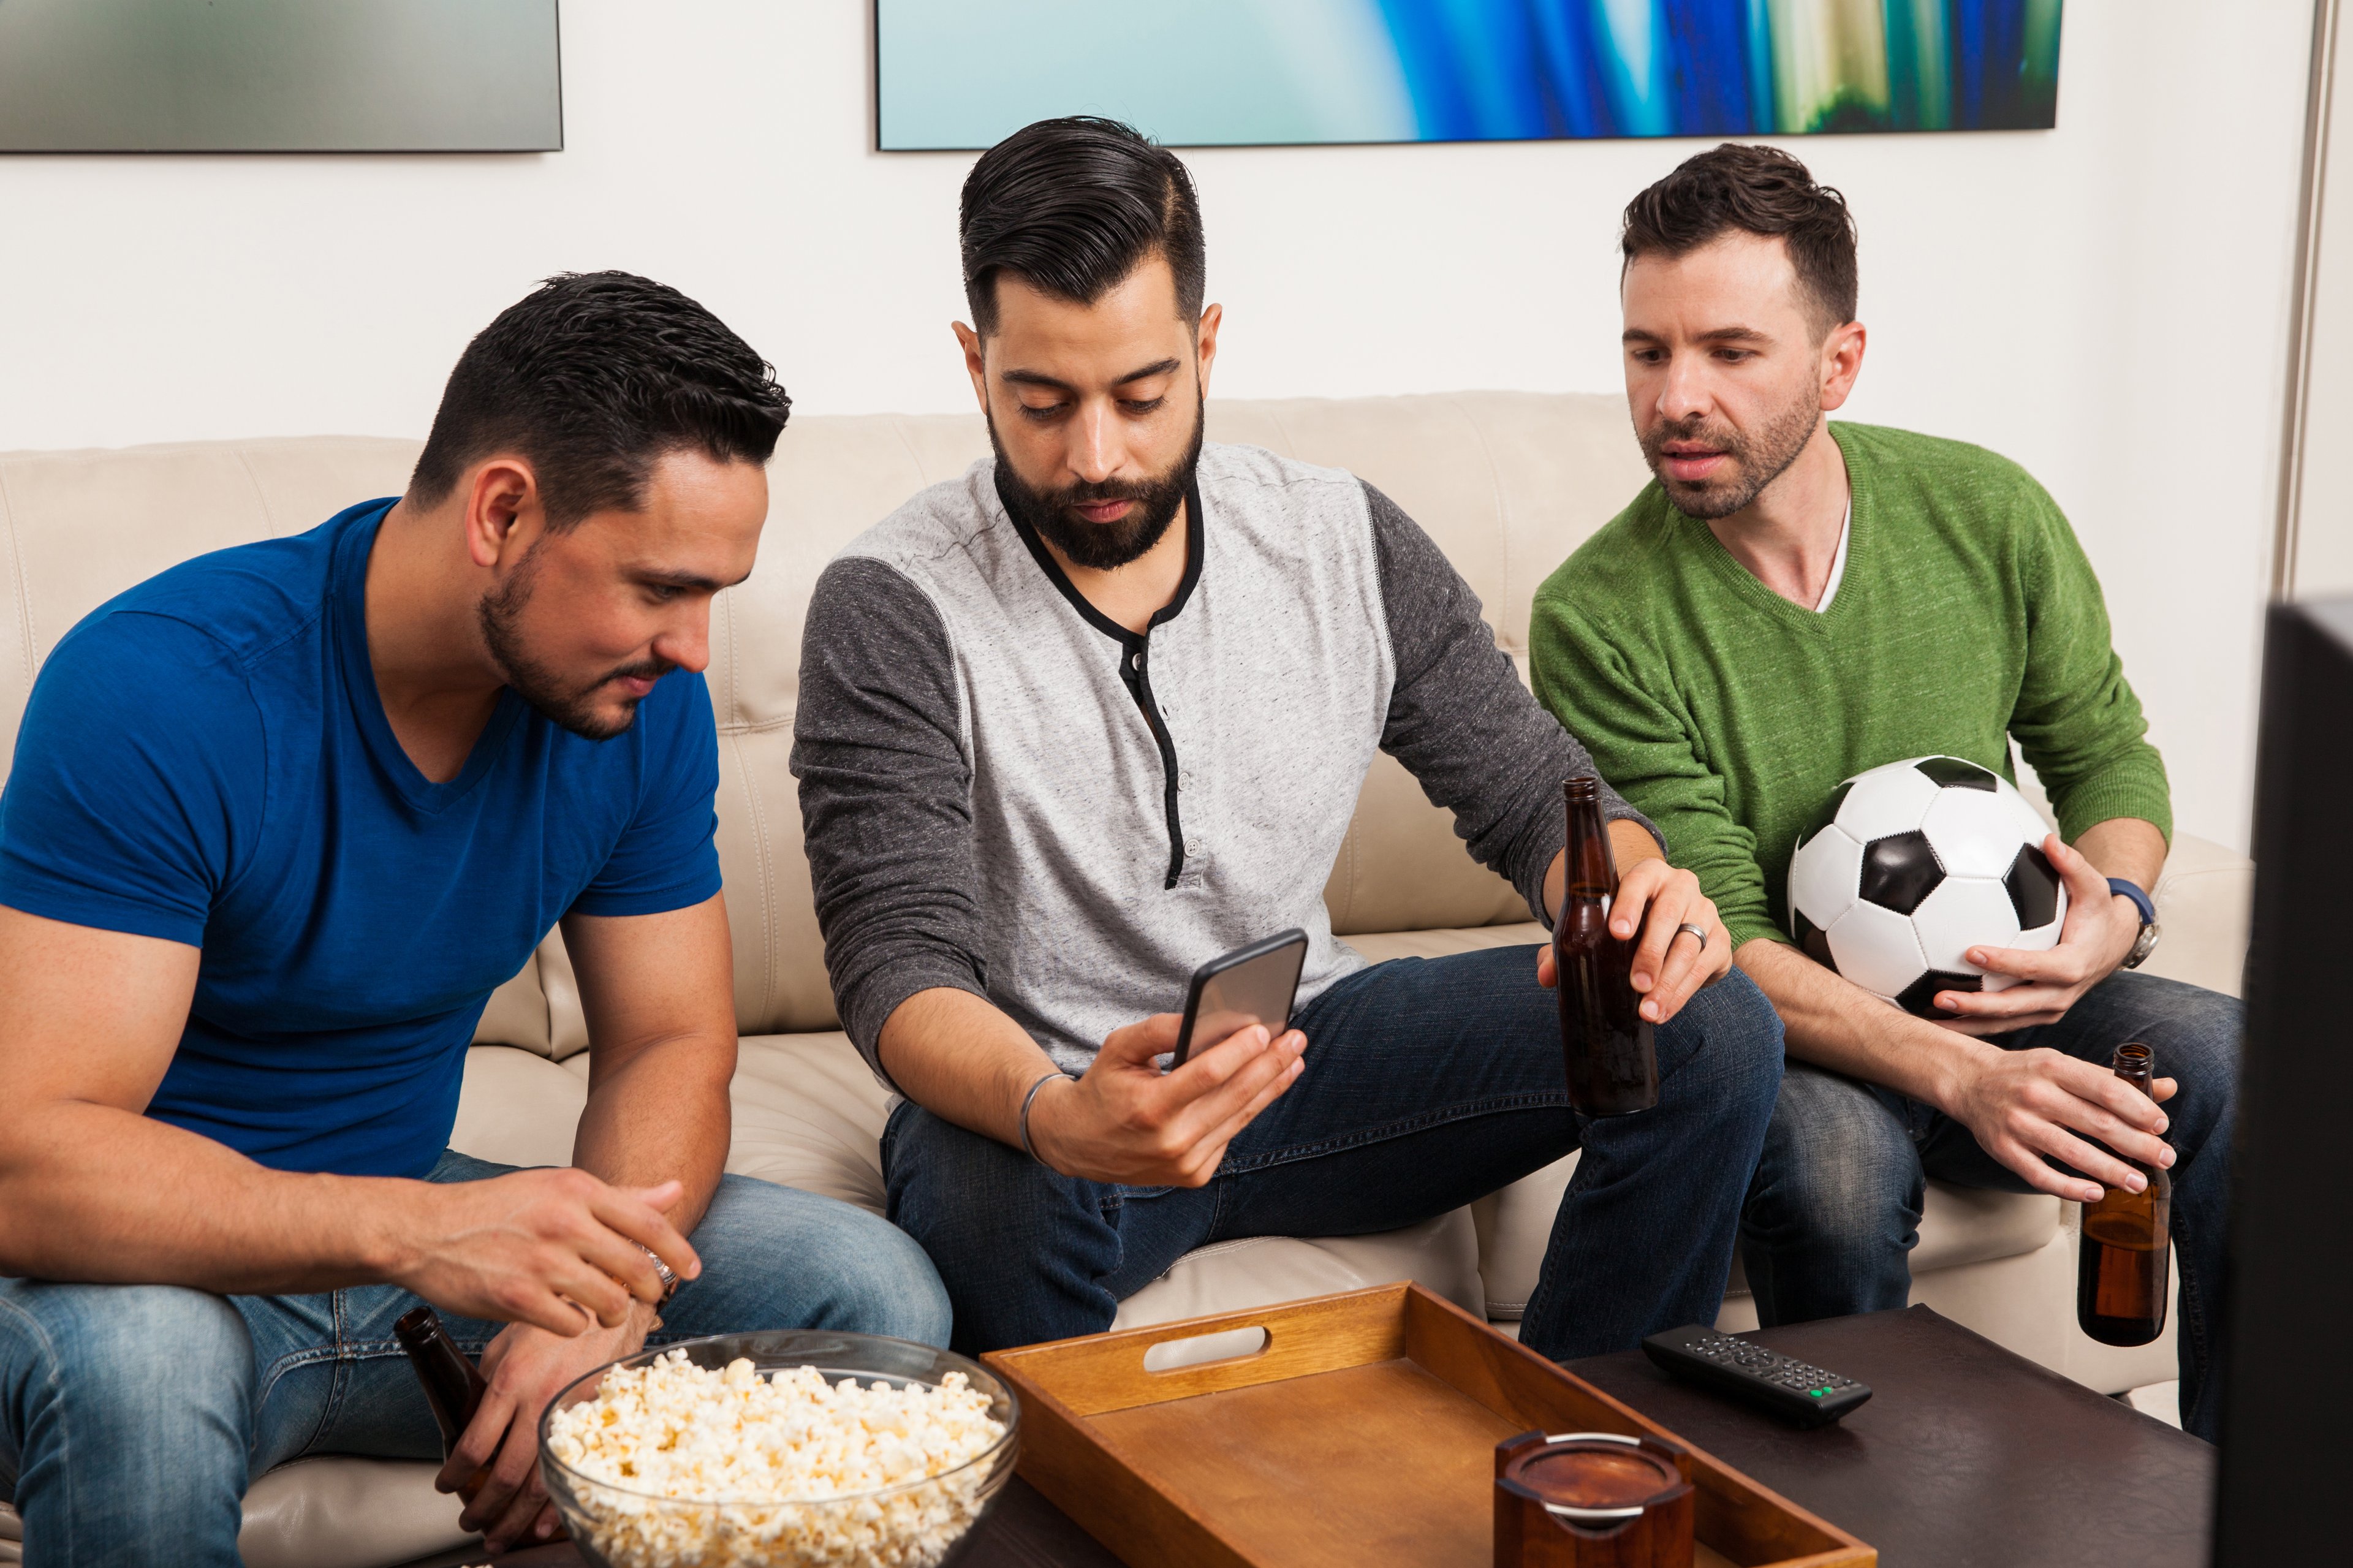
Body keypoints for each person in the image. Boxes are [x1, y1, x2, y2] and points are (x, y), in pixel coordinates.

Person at [792, 117, 1784, 1360]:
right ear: (973, 362)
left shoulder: (1340, 540)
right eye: (1040, 401)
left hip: (1308, 1056)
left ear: (1206, 349)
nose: (1095, 454)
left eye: (1141, 395)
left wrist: (1634, 898)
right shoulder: (892, 602)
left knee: (1713, 1024)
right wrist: (1057, 1114)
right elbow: (899, 966)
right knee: (991, 1197)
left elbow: (1535, 791)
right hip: (1050, 1103)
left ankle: (1576, 1459)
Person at [0, 272, 949, 1567]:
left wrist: (605, 1295)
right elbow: (34, 1162)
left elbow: (671, 1036)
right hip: (145, 1276)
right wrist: (424, 1229)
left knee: (869, 1287)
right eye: (660, 584)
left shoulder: (635, 705)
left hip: (414, 1260)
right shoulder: (164, 689)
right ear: (503, 512)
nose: (692, 646)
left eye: (716, 592)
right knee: (143, 1377)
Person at [1528, 144, 2239, 1439]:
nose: (1677, 397)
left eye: (1731, 351)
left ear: (1839, 361)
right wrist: (1963, 1076)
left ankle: (2259, 1493)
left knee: (2238, 1061)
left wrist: (2114, 911)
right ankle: (1845, 1521)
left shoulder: (1985, 511)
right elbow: (1722, 937)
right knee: (1836, 1172)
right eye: (1647, 351)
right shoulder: (1597, 615)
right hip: (1807, 1041)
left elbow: (2105, 754)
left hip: (2022, 987)